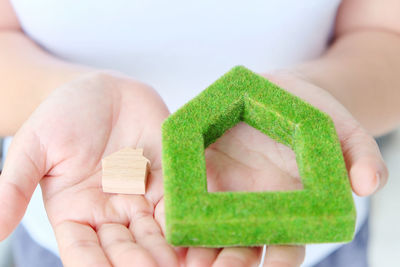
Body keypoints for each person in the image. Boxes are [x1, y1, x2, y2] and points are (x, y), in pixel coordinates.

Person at [0, 0, 399, 266]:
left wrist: (323, 95)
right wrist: (54, 96)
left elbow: (386, 34)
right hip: (78, 224)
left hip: (312, 246)